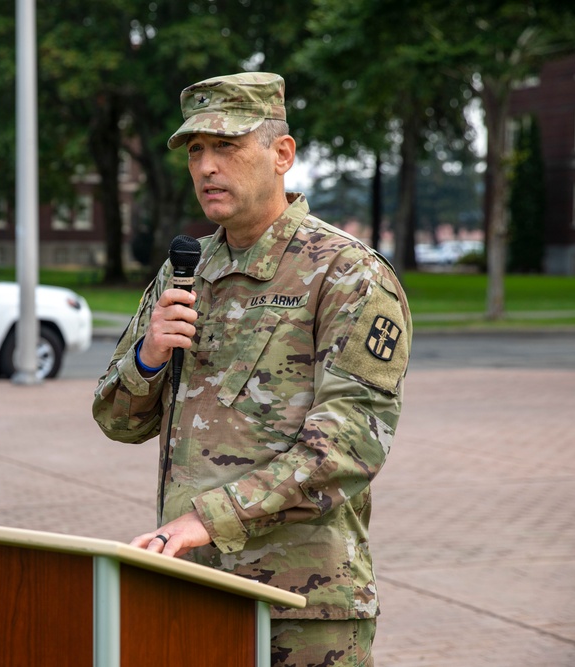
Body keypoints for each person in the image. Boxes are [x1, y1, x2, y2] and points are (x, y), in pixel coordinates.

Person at [92, 72, 412, 667]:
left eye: (227, 146)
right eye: (196, 150)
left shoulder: (345, 273)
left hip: (302, 605)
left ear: (281, 154)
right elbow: (117, 421)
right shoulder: (184, 270)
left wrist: (203, 521)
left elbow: (349, 445)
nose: (207, 167)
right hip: (195, 591)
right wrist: (149, 357)